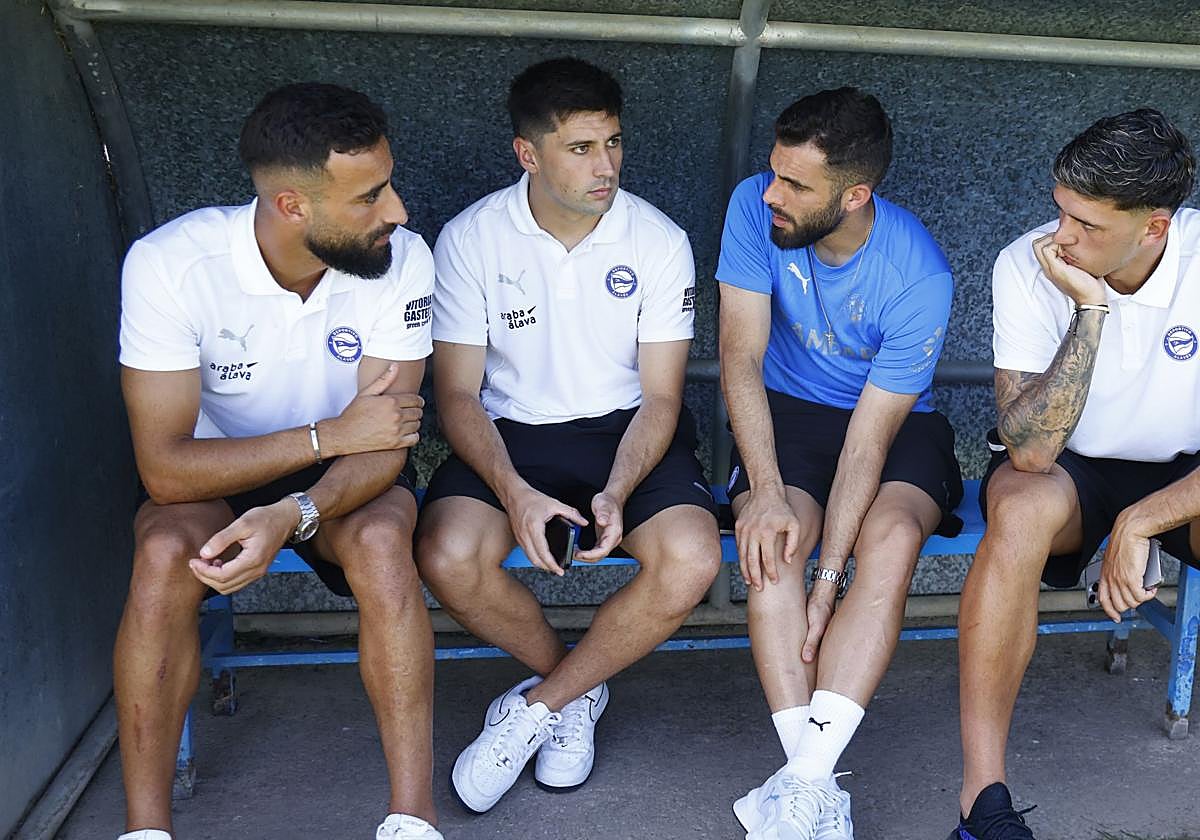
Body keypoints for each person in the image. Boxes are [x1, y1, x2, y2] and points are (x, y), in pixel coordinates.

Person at [114, 83, 442, 840]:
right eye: (370, 196)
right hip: (216, 470)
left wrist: (295, 509)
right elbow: (164, 469)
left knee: (383, 542)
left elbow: (385, 445)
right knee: (163, 549)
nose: (396, 211)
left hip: (351, 478)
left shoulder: (400, 259)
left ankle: (412, 820)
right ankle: (144, 831)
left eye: (388, 184)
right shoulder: (170, 264)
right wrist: (326, 435)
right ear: (293, 206)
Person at [414, 56, 721, 815]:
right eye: (581, 149)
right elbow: (455, 395)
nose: (605, 166)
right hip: (509, 435)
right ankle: (573, 694)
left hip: (628, 434)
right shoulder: (470, 237)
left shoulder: (657, 239)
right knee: (447, 554)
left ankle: (535, 710)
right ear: (528, 152)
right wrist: (515, 494)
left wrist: (617, 489)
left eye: (613, 143)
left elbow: (661, 397)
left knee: (692, 557)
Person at [717, 87, 963, 839]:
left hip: (892, 425)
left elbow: (867, 440)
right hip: (785, 413)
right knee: (777, 541)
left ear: (855, 195)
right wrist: (763, 491)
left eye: (795, 184)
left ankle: (800, 787)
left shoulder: (919, 276)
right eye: (773, 173)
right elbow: (739, 354)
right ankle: (809, 788)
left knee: (887, 544)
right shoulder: (754, 209)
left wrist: (833, 580)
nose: (772, 194)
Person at [952, 108, 1199, 840]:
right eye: (1061, 211)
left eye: (1087, 226)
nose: (1062, 237)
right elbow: (1028, 448)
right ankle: (981, 801)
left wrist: (1142, 520)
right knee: (1020, 512)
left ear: (1154, 227)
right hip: (1068, 466)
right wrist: (1090, 308)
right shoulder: (1026, 263)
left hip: (1184, 472)